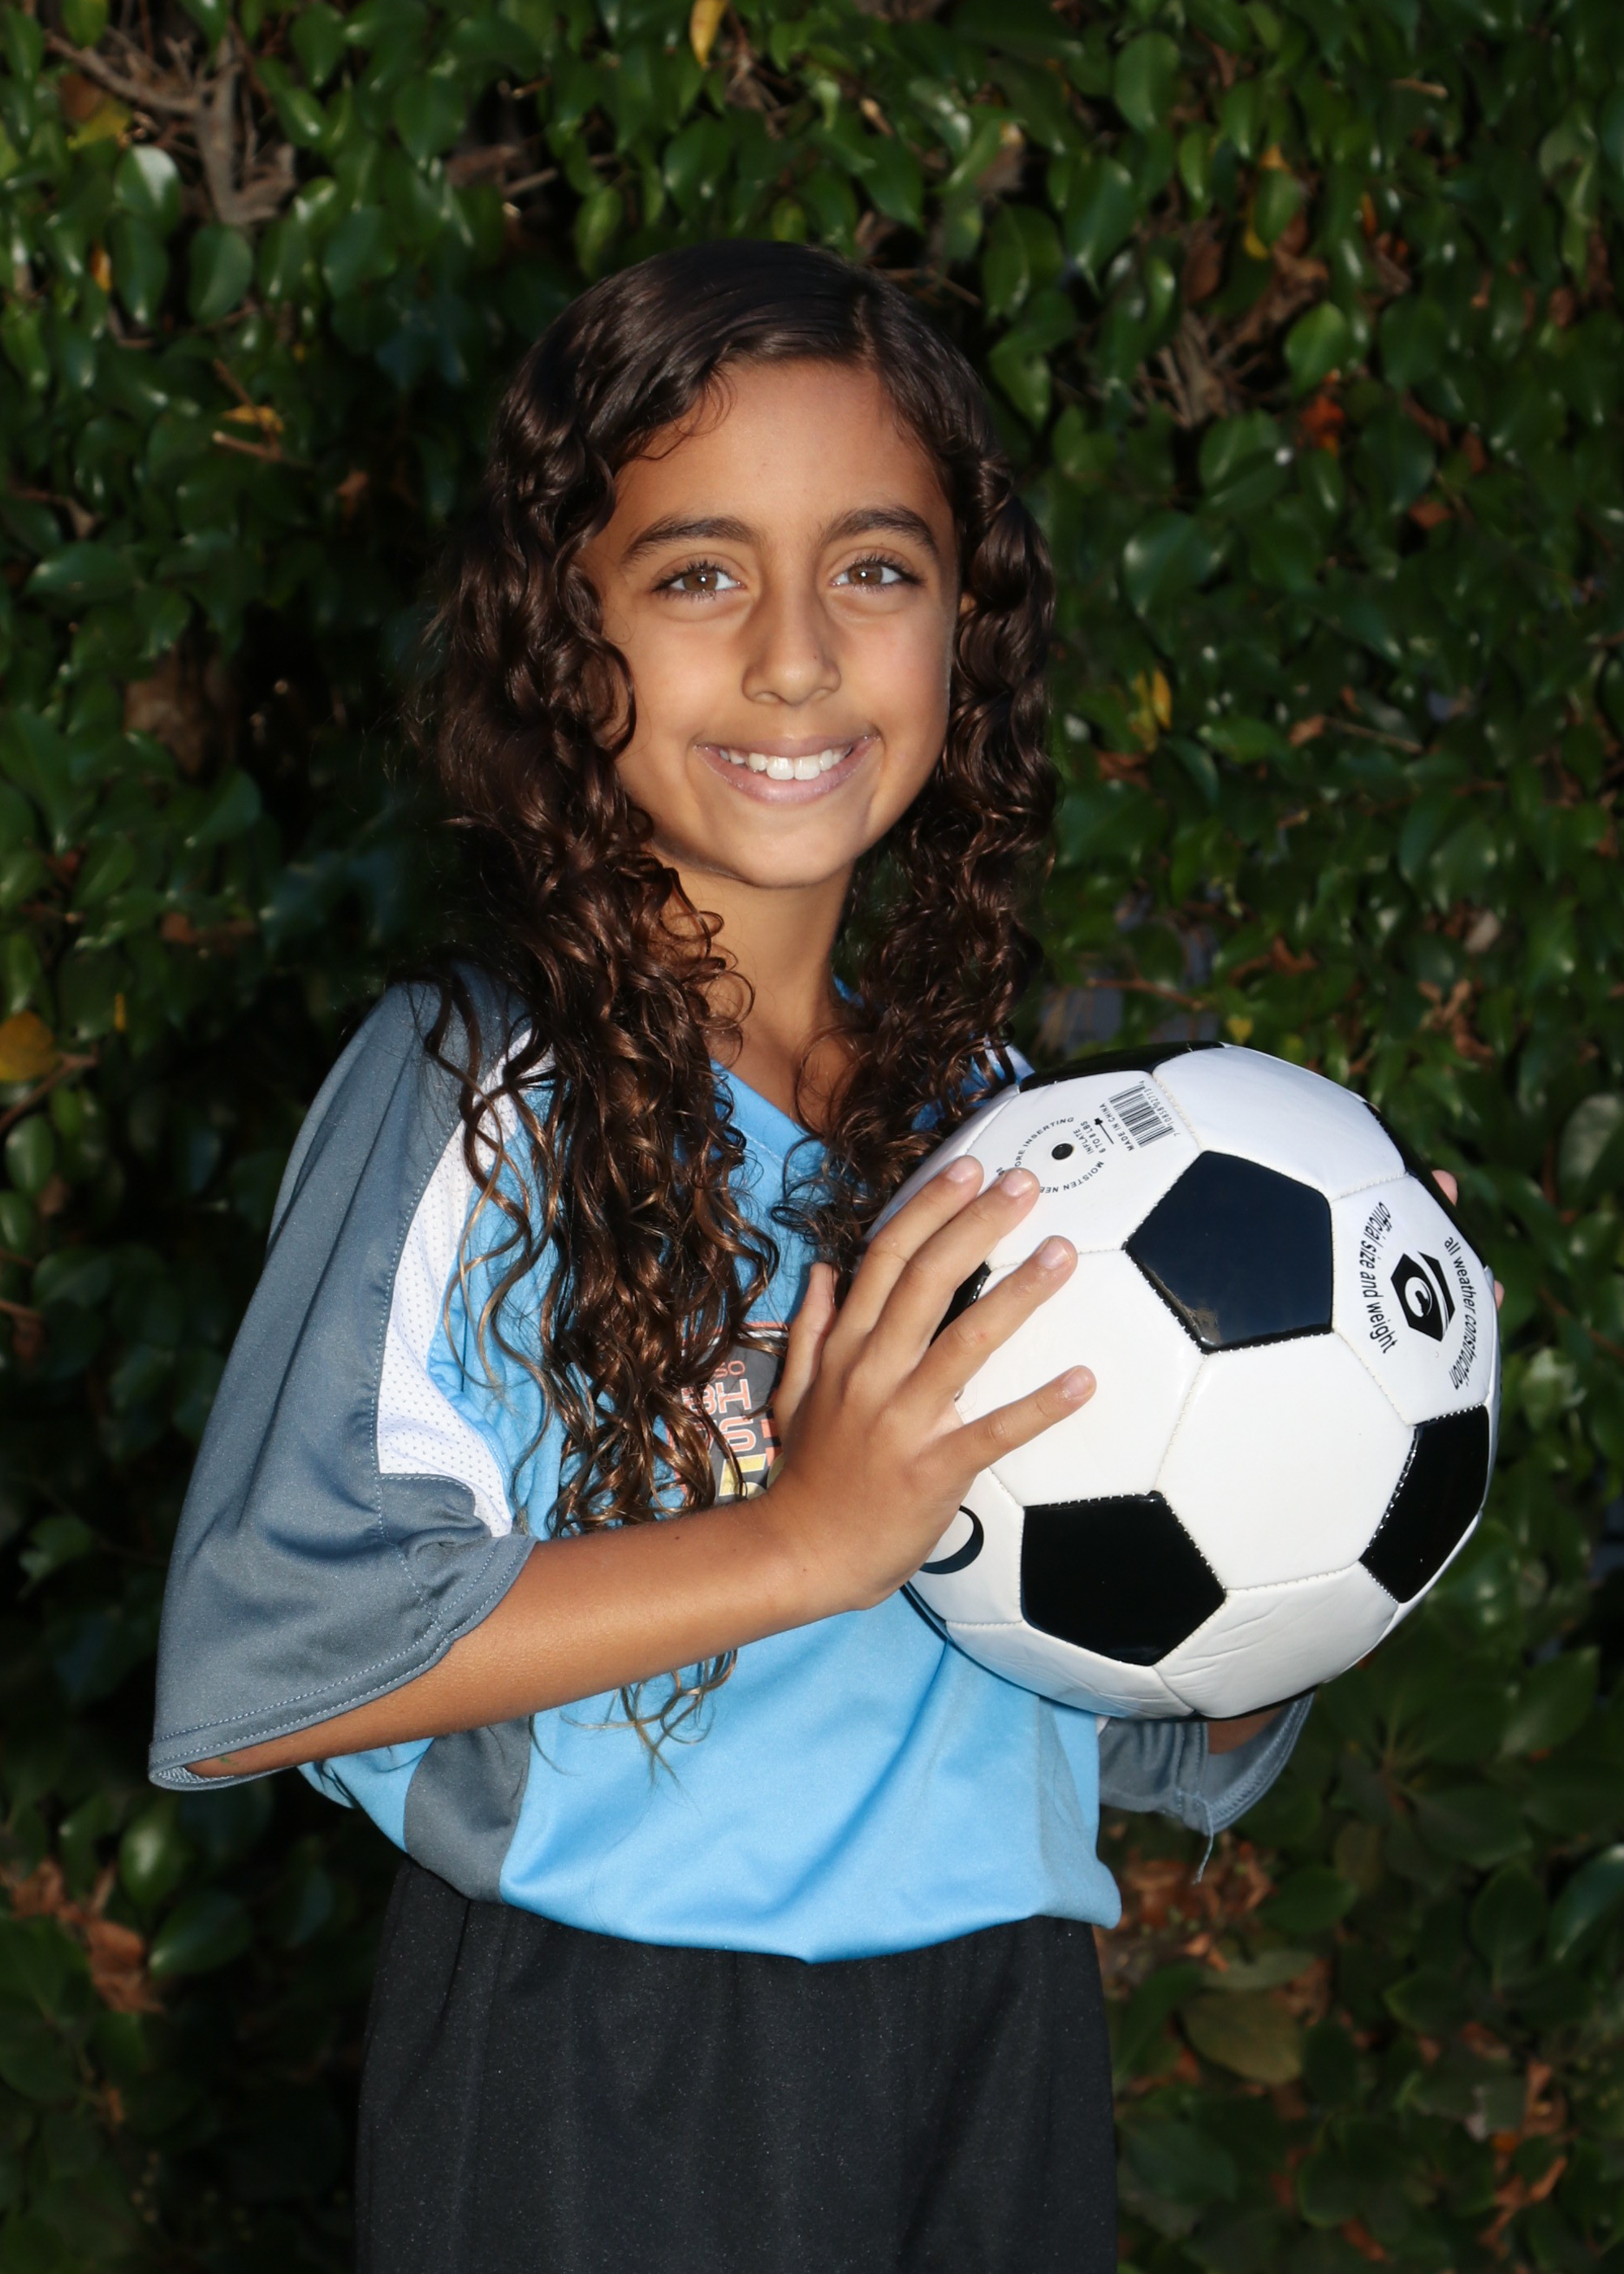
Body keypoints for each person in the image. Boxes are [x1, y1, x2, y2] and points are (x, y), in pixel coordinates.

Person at [149, 243, 1311, 2274]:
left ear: (965, 624)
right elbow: (263, 1657)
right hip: (614, 2051)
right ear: (560, 630)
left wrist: (1331, 1447)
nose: (794, 656)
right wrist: (800, 1539)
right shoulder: (472, 1093)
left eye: (874, 567)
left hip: (1001, 2033)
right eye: (698, 572)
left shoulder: (1009, 1136)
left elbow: (1132, 1712)